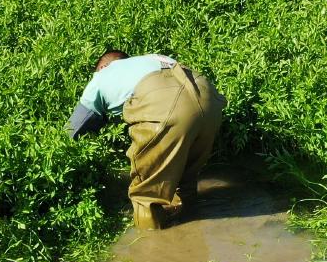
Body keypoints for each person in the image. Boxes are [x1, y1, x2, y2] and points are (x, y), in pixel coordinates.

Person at [67, 50, 225, 230]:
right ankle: (192, 229)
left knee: (145, 196)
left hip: (167, 107)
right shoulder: (154, 59)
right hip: (209, 101)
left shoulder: (101, 77)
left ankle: (154, 246)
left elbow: (72, 132)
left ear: (103, 67)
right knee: (184, 179)